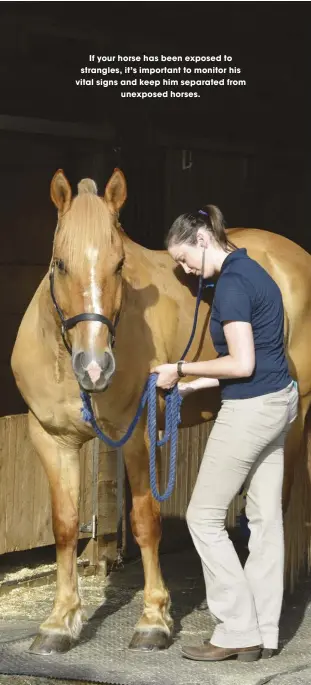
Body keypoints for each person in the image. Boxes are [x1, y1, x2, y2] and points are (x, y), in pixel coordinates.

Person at [151, 205, 298, 663]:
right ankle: (265, 631)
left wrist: (179, 369)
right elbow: (261, 355)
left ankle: (237, 628)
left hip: (251, 408)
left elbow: (242, 364)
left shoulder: (231, 286)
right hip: (279, 400)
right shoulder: (252, 270)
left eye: (182, 258)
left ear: (201, 239)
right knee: (265, 518)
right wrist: (201, 383)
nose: (182, 268)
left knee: (203, 518)